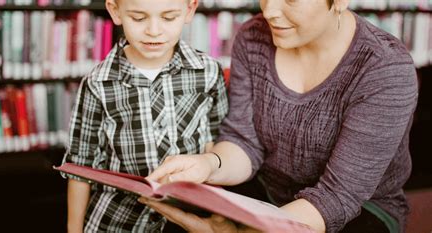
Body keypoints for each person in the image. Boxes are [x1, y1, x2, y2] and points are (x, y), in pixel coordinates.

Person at [141, 0, 419, 232]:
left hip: (359, 209)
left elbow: (337, 197)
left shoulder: (384, 68)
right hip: (266, 192)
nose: (270, 11)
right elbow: (243, 142)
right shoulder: (252, 37)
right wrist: (208, 164)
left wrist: (245, 231)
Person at [61, 0, 229, 232]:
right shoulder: (97, 83)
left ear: (189, 10)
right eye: (139, 18)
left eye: (168, 17)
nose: (154, 30)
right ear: (115, 11)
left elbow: (217, 139)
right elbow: (79, 166)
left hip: (188, 216)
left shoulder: (209, 71)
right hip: (117, 220)